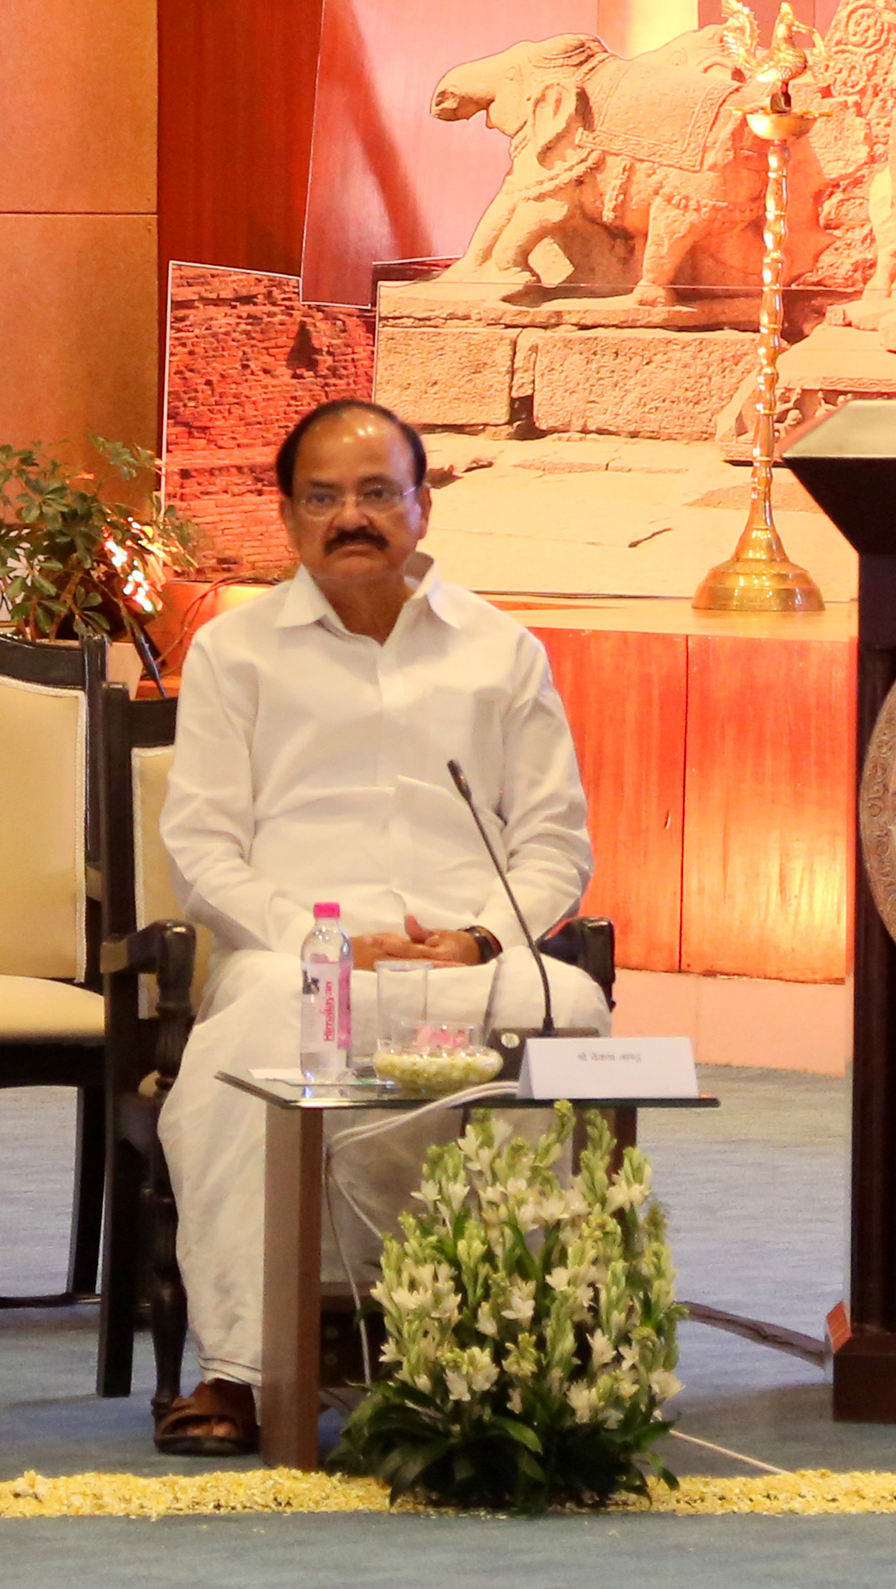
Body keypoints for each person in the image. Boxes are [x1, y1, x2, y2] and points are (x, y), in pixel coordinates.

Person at [151, 401, 605, 1456]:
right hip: (303, 963)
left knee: (570, 1011)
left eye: (374, 492)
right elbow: (204, 848)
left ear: (421, 502)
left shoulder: (502, 650)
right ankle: (246, 1367)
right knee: (239, 1050)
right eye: (322, 496)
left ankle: (513, 1344)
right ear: (288, 514)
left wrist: (486, 938)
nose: (349, 517)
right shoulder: (235, 652)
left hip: (462, 955)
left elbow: (554, 844)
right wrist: (326, 944)